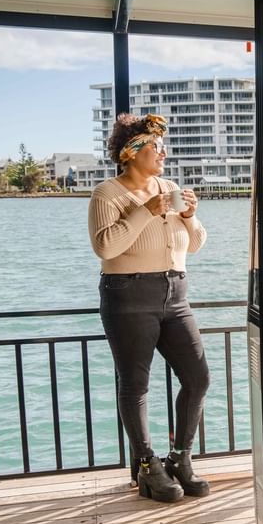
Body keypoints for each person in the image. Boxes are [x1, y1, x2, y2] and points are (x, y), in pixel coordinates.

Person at [88, 113, 211, 503]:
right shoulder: (107, 194)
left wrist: (189, 216)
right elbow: (106, 247)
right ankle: (146, 465)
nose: (164, 152)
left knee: (198, 378)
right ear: (131, 152)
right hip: (128, 295)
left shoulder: (170, 187)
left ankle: (180, 457)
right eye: (155, 147)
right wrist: (146, 210)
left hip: (176, 293)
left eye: (162, 146)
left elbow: (195, 245)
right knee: (136, 384)